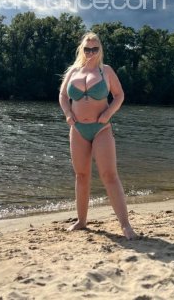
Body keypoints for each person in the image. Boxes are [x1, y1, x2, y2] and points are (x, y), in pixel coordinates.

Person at [59, 31, 138, 240]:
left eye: (95, 49)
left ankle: (125, 225)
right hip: (78, 129)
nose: (91, 52)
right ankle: (81, 221)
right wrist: (68, 114)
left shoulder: (106, 71)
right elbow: (63, 95)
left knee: (109, 175)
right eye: (87, 49)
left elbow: (119, 95)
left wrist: (108, 113)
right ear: (82, 49)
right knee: (81, 175)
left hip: (101, 128)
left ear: (100, 49)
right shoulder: (73, 71)